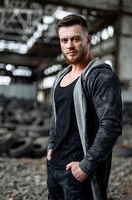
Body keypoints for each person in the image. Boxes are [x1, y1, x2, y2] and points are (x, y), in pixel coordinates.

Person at [47, 14, 122, 200]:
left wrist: (86, 165)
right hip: (54, 166)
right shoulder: (60, 77)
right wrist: (50, 146)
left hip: (79, 172)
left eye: (75, 39)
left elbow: (111, 125)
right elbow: (56, 118)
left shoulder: (101, 76)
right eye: (64, 40)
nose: (69, 45)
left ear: (88, 39)